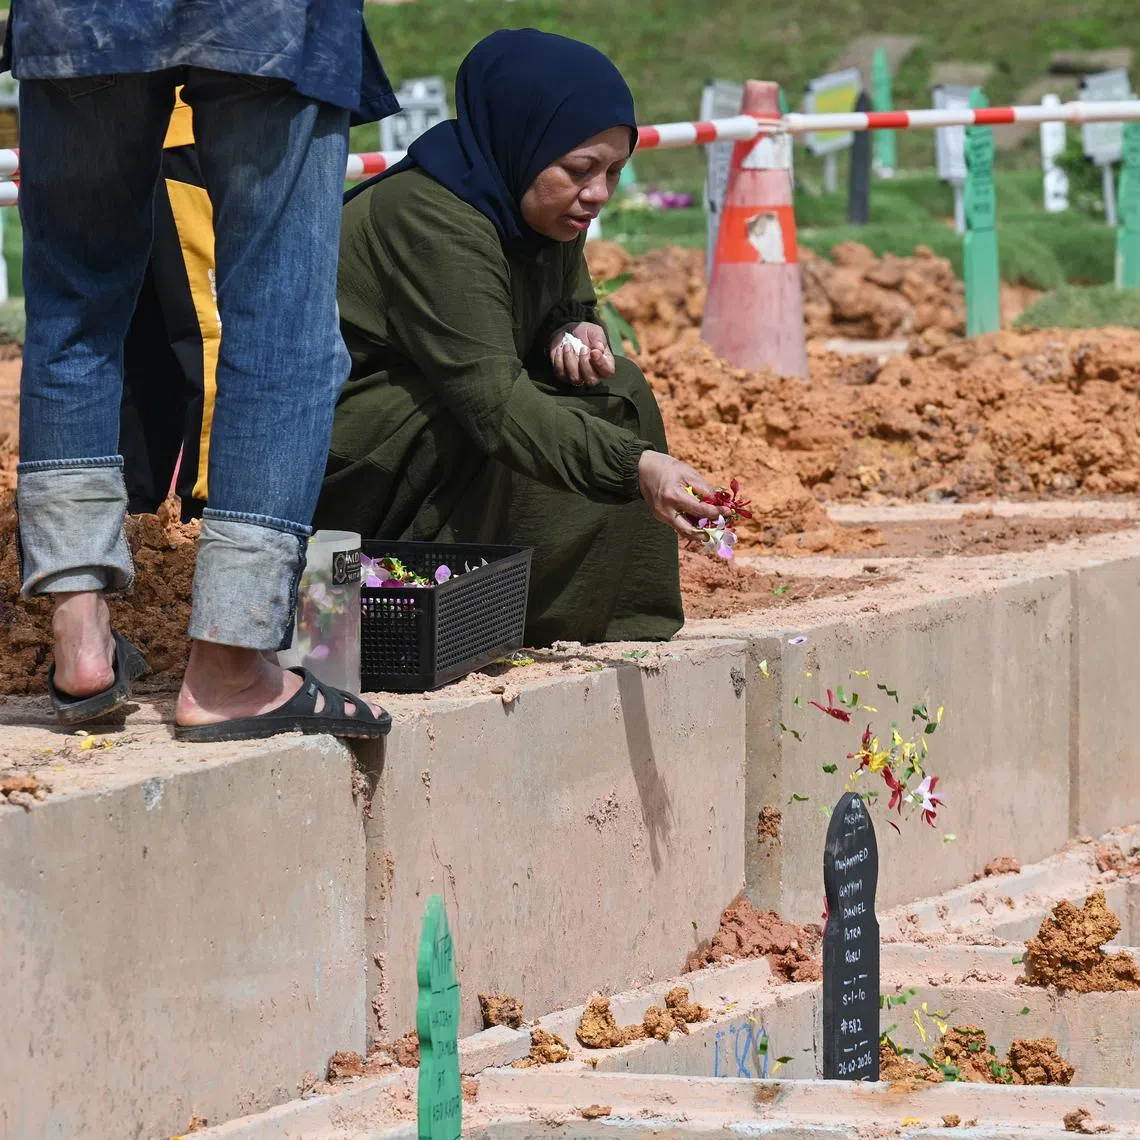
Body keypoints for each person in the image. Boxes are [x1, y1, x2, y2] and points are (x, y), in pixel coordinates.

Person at [8, 1, 398, 740]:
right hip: (266, 23)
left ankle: (80, 644)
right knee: (279, 318)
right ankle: (229, 670)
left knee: (74, 301)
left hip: (82, 20)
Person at [314, 30, 717, 646]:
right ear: (519, 144)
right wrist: (634, 465)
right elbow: (489, 399)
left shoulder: (539, 206)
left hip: (451, 394)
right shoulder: (432, 216)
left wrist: (573, 328)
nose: (599, 195)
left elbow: (564, 298)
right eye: (581, 170)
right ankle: (443, 610)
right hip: (356, 452)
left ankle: (576, 615)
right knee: (492, 417)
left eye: (614, 172)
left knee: (618, 389)